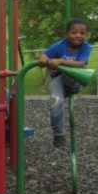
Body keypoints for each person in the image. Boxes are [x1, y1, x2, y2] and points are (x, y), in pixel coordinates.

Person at [38, 18, 92, 148]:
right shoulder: (59, 46)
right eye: (74, 33)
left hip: (74, 82)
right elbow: (43, 57)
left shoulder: (86, 47)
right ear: (66, 34)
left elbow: (81, 63)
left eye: (82, 33)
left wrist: (60, 61)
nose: (78, 36)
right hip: (58, 80)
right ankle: (59, 134)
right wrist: (43, 59)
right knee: (56, 103)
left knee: (70, 75)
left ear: (86, 35)